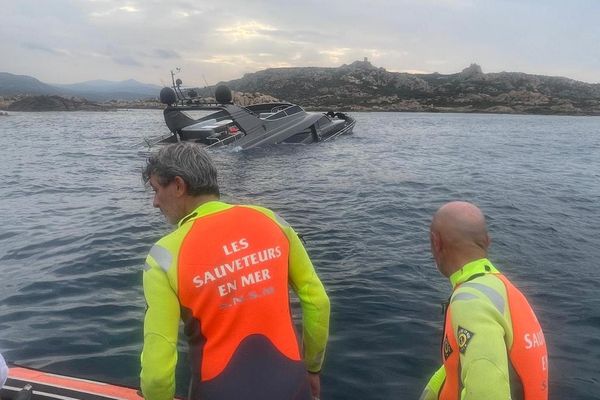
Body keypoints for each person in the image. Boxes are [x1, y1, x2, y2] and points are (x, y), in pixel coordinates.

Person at [140, 143, 330, 400]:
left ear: (178, 185)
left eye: (156, 190)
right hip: (293, 387)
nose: (154, 203)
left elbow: (156, 375)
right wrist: (312, 369)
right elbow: (318, 302)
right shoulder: (271, 220)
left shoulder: (163, 255)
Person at [420, 201, 548, 400]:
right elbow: (458, 365)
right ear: (487, 241)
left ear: (436, 242)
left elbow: (488, 393)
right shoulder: (503, 291)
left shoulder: (470, 301)